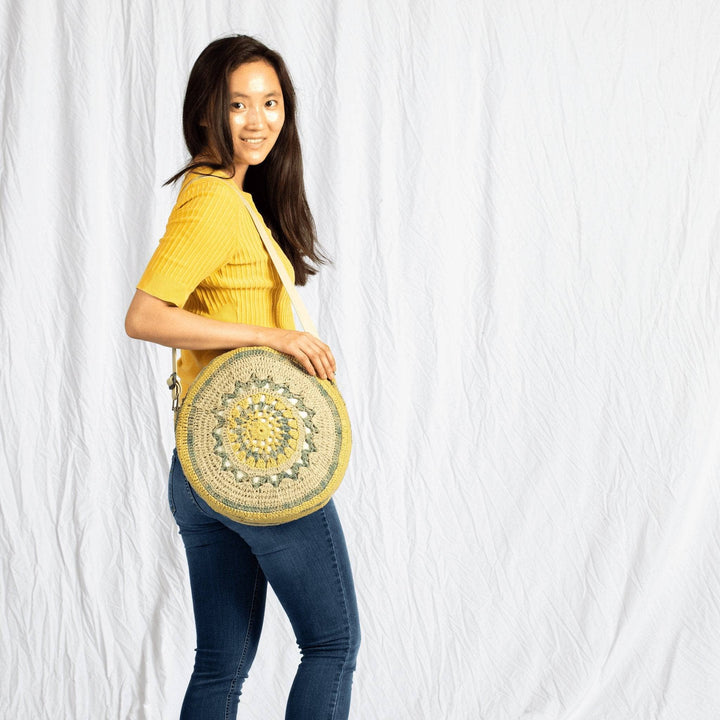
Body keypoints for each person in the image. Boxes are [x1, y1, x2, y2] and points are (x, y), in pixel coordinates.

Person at [125, 35, 360, 720]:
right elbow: (144, 316)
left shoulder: (233, 198)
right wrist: (269, 334)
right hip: (257, 467)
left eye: (271, 102)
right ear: (206, 112)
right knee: (331, 643)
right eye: (237, 104)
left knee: (221, 666)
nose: (257, 120)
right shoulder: (214, 201)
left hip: (202, 473)